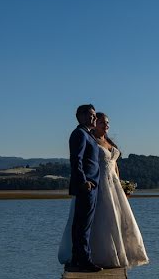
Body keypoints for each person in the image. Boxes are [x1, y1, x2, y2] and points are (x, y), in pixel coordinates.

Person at [59, 111, 149, 268]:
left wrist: (122, 185)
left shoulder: (107, 141)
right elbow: (79, 160)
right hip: (97, 184)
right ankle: (91, 256)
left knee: (117, 219)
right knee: (96, 221)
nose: (105, 125)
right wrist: (84, 181)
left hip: (113, 183)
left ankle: (117, 253)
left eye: (107, 123)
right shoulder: (88, 138)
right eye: (102, 122)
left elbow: (114, 164)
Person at [65, 104, 102, 272]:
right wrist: (83, 182)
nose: (93, 118)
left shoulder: (89, 134)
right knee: (82, 226)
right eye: (90, 115)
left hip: (92, 185)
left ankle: (76, 259)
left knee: (82, 224)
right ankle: (84, 261)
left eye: (94, 115)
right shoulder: (79, 134)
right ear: (79, 116)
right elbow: (76, 160)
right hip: (86, 186)